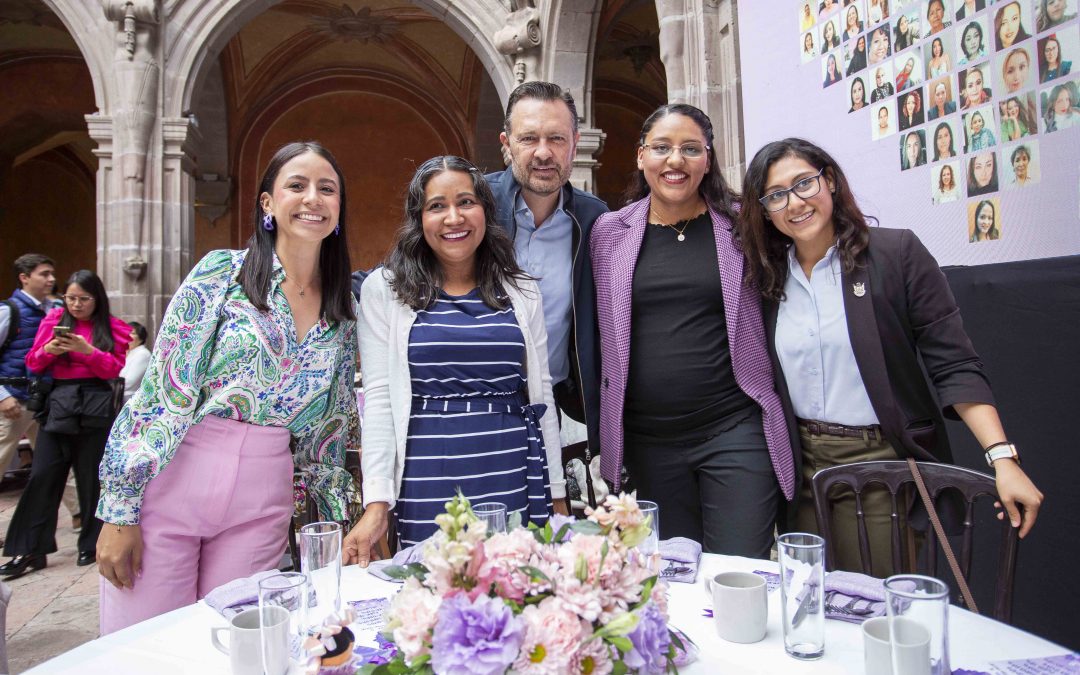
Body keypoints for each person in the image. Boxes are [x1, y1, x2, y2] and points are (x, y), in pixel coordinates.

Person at [738, 138, 1043, 576]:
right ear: (765, 209)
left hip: (877, 465)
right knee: (808, 603)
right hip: (797, 467)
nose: (795, 202)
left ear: (830, 180)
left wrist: (1002, 458)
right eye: (777, 195)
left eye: (804, 183)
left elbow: (953, 363)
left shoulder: (894, 254)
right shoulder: (766, 278)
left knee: (875, 606)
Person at [95, 141, 360, 634]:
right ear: (267, 203)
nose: (313, 199)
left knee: (238, 647)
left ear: (339, 210)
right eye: (296, 186)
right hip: (177, 477)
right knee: (148, 646)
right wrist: (119, 508)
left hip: (262, 499)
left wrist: (334, 528)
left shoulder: (343, 312)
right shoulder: (222, 274)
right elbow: (164, 391)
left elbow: (331, 432)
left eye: (327, 189)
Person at [591, 104, 795, 556]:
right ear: (640, 156)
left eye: (689, 149)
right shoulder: (608, 232)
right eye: (661, 148)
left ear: (708, 158)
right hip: (649, 442)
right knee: (672, 577)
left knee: (740, 572)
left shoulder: (744, 225)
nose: (675, 161)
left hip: (734, 430)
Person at [350, 155, 565, 555]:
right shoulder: (385, 290)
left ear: (486, 210)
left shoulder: (521, 290)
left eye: (466, 202)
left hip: (511, 466)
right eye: (437, 206)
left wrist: (556, 494)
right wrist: (377, 502)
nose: (454, 217)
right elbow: (379, 401)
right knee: (430, 595)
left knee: (514, 589)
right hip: (427, 472)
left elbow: (542, 395)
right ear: (419, 219)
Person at [486, 81, 606, 473]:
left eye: (556, 138)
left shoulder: (595, 221)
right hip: (473, 405)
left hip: (552, 410)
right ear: (506, 143)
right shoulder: (473, 206)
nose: (543, 152)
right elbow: (402, 275)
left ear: (574, 142)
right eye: (529, 138)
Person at [0, 270, 130, 580]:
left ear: (96, 299)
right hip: (58, 403)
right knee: (43, 473)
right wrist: (48, 351)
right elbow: (32, 363)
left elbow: (114, 368)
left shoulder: (113, 327)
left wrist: (87, 352)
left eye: (83, 299)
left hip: (95, 405)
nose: (76, 305)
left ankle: (91, 542)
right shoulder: (54, 320)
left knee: (91, 478)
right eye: (71, 298)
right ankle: (31, 548)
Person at [0, 254, 56, 482]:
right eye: (44, 274)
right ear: (24, 277)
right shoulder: (7, 311)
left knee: (57, 465)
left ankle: (78, 515)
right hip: (13, 402)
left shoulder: (55, 310)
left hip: (45, 400)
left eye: (51, 273)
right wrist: (2, 397)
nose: (51, 279)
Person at [118, 322, 150, 403]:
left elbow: (128, 383)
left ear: (141, 338)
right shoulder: (128, 353)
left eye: (132, 333)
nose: (128, 336)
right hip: (119, 397)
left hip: (130, 402)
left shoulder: (142, 354)